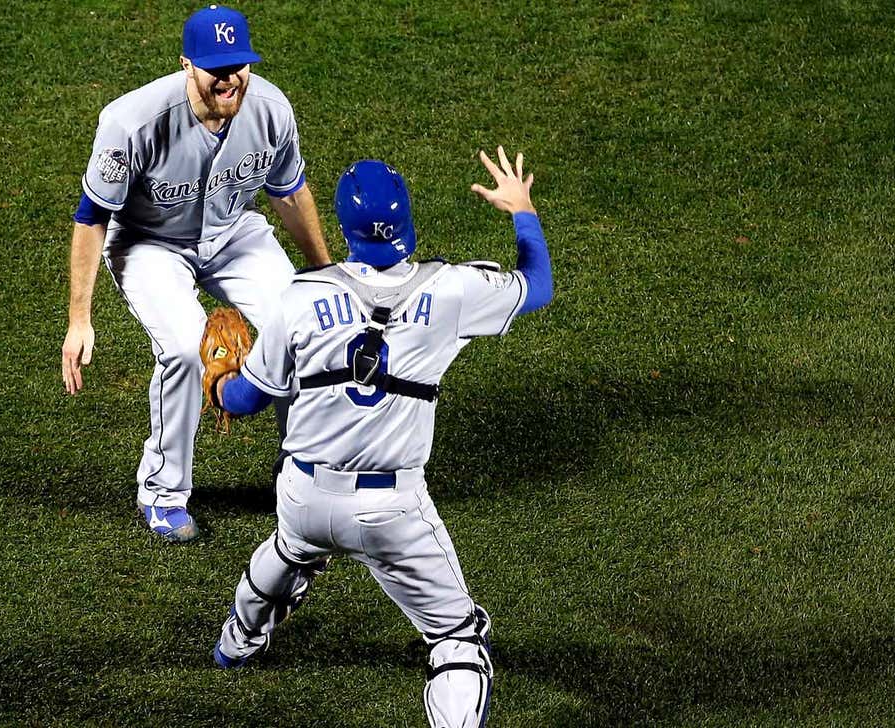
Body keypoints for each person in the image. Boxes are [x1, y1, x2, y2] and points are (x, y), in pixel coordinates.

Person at [206, 148, 554, 727]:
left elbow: (248, 399)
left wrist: (218, 388)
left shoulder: (300, 296)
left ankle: (235, 644)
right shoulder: (452, 290)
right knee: (457, 638)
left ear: (345, 230)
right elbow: (537, 285)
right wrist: (521, 209)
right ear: (407, 220)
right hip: (393, 511)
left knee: (291, 551)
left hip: (304, 498)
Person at [60, 5, 330, 543]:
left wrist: (325, 275)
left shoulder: (271, 109)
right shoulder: (131, 122)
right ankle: (162, 494)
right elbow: (91, 216)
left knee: (301, 327)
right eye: (215, 68)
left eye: (239, 65)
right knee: (185, 347)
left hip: (234, 233)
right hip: (149, 242)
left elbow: (290, 193)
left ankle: (298, 477)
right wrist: (79, 317)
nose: (230, 78)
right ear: (187, 65)